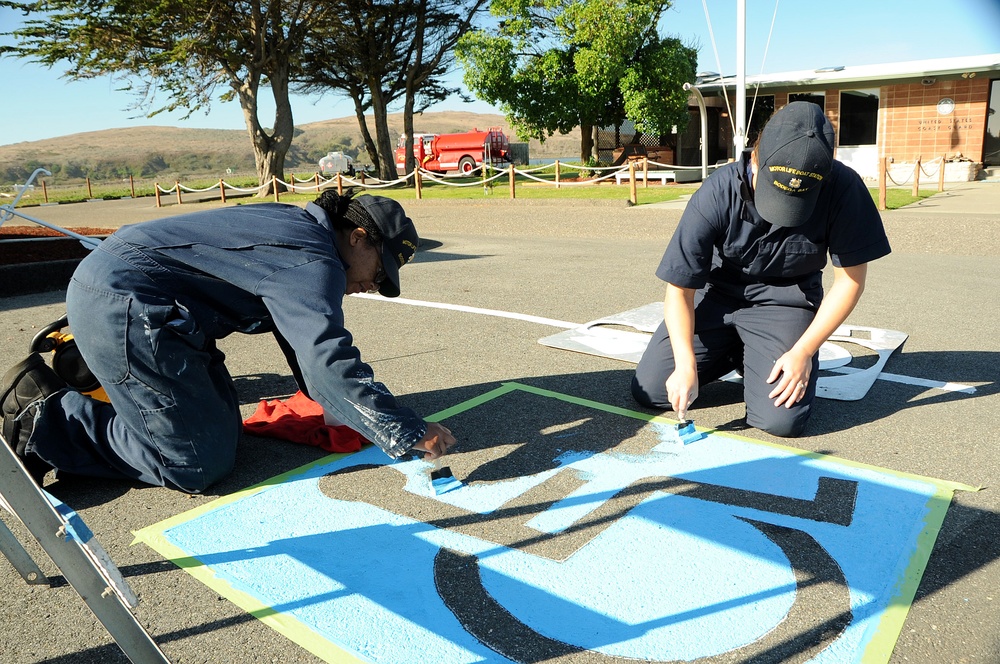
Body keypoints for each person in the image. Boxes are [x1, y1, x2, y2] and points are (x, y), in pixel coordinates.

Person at [1, 189, 455, 490]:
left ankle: (128, 408)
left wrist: (340, 410)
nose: (375, 284)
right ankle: (43, 419)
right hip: (129, 305)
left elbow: (295, 336)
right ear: (358, 237)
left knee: (225, 437)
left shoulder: (299, 230)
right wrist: (405, 429)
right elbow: (325, 357)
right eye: (380, 272)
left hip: (156, 308)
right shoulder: (312, 261)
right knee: (196, 464)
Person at [631, 101, 891, 437]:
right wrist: (684, 364)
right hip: (717, 297)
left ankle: (756, 353)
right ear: (756, 157)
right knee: (650, 390)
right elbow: (680, 289)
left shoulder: (844, 188)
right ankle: (736, 352)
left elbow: (850, 282)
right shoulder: (718, 190)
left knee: (781, 421)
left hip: (785, 301)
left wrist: (803, 351)